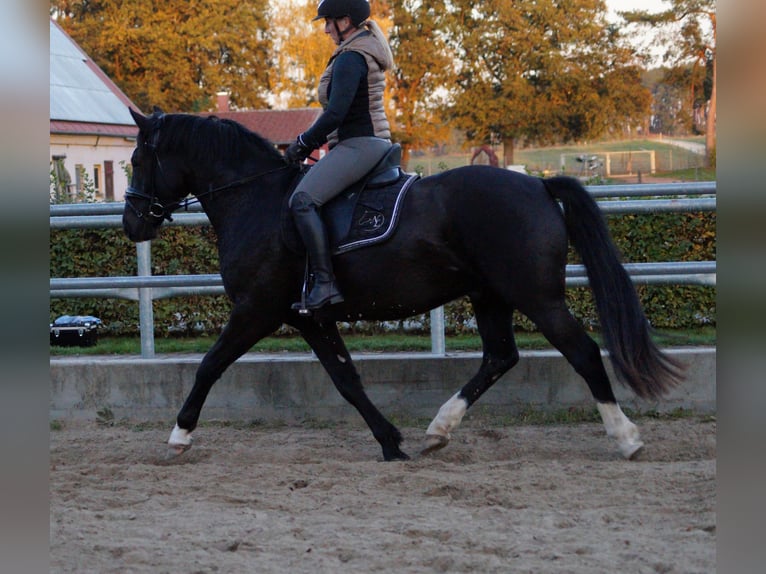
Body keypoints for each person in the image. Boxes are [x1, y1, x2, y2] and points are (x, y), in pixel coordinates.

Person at [285, 0, 394, 311]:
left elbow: (335, 114)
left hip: (359, 144)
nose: (325, 28)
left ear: (346, 20)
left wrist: (303, 143)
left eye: (329, 22)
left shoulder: (351, 58)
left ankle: (325, 283)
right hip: (362, 142)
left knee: (303, 200)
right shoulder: (359, 50)